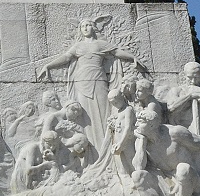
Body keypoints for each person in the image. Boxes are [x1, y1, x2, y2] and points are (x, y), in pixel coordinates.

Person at [41, 17, 145, 148]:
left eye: (88, 25)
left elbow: (117, 52)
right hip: (82, 83)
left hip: (99, 80)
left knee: (103, 113)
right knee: (85, 117)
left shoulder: (101, 44)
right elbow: (67, 57)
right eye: (83, 26)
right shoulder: (78, 46)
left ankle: (106, 146)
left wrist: (132, 57)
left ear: (93, 27)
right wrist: (49, 66)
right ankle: (90, 150)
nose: (85, 28)